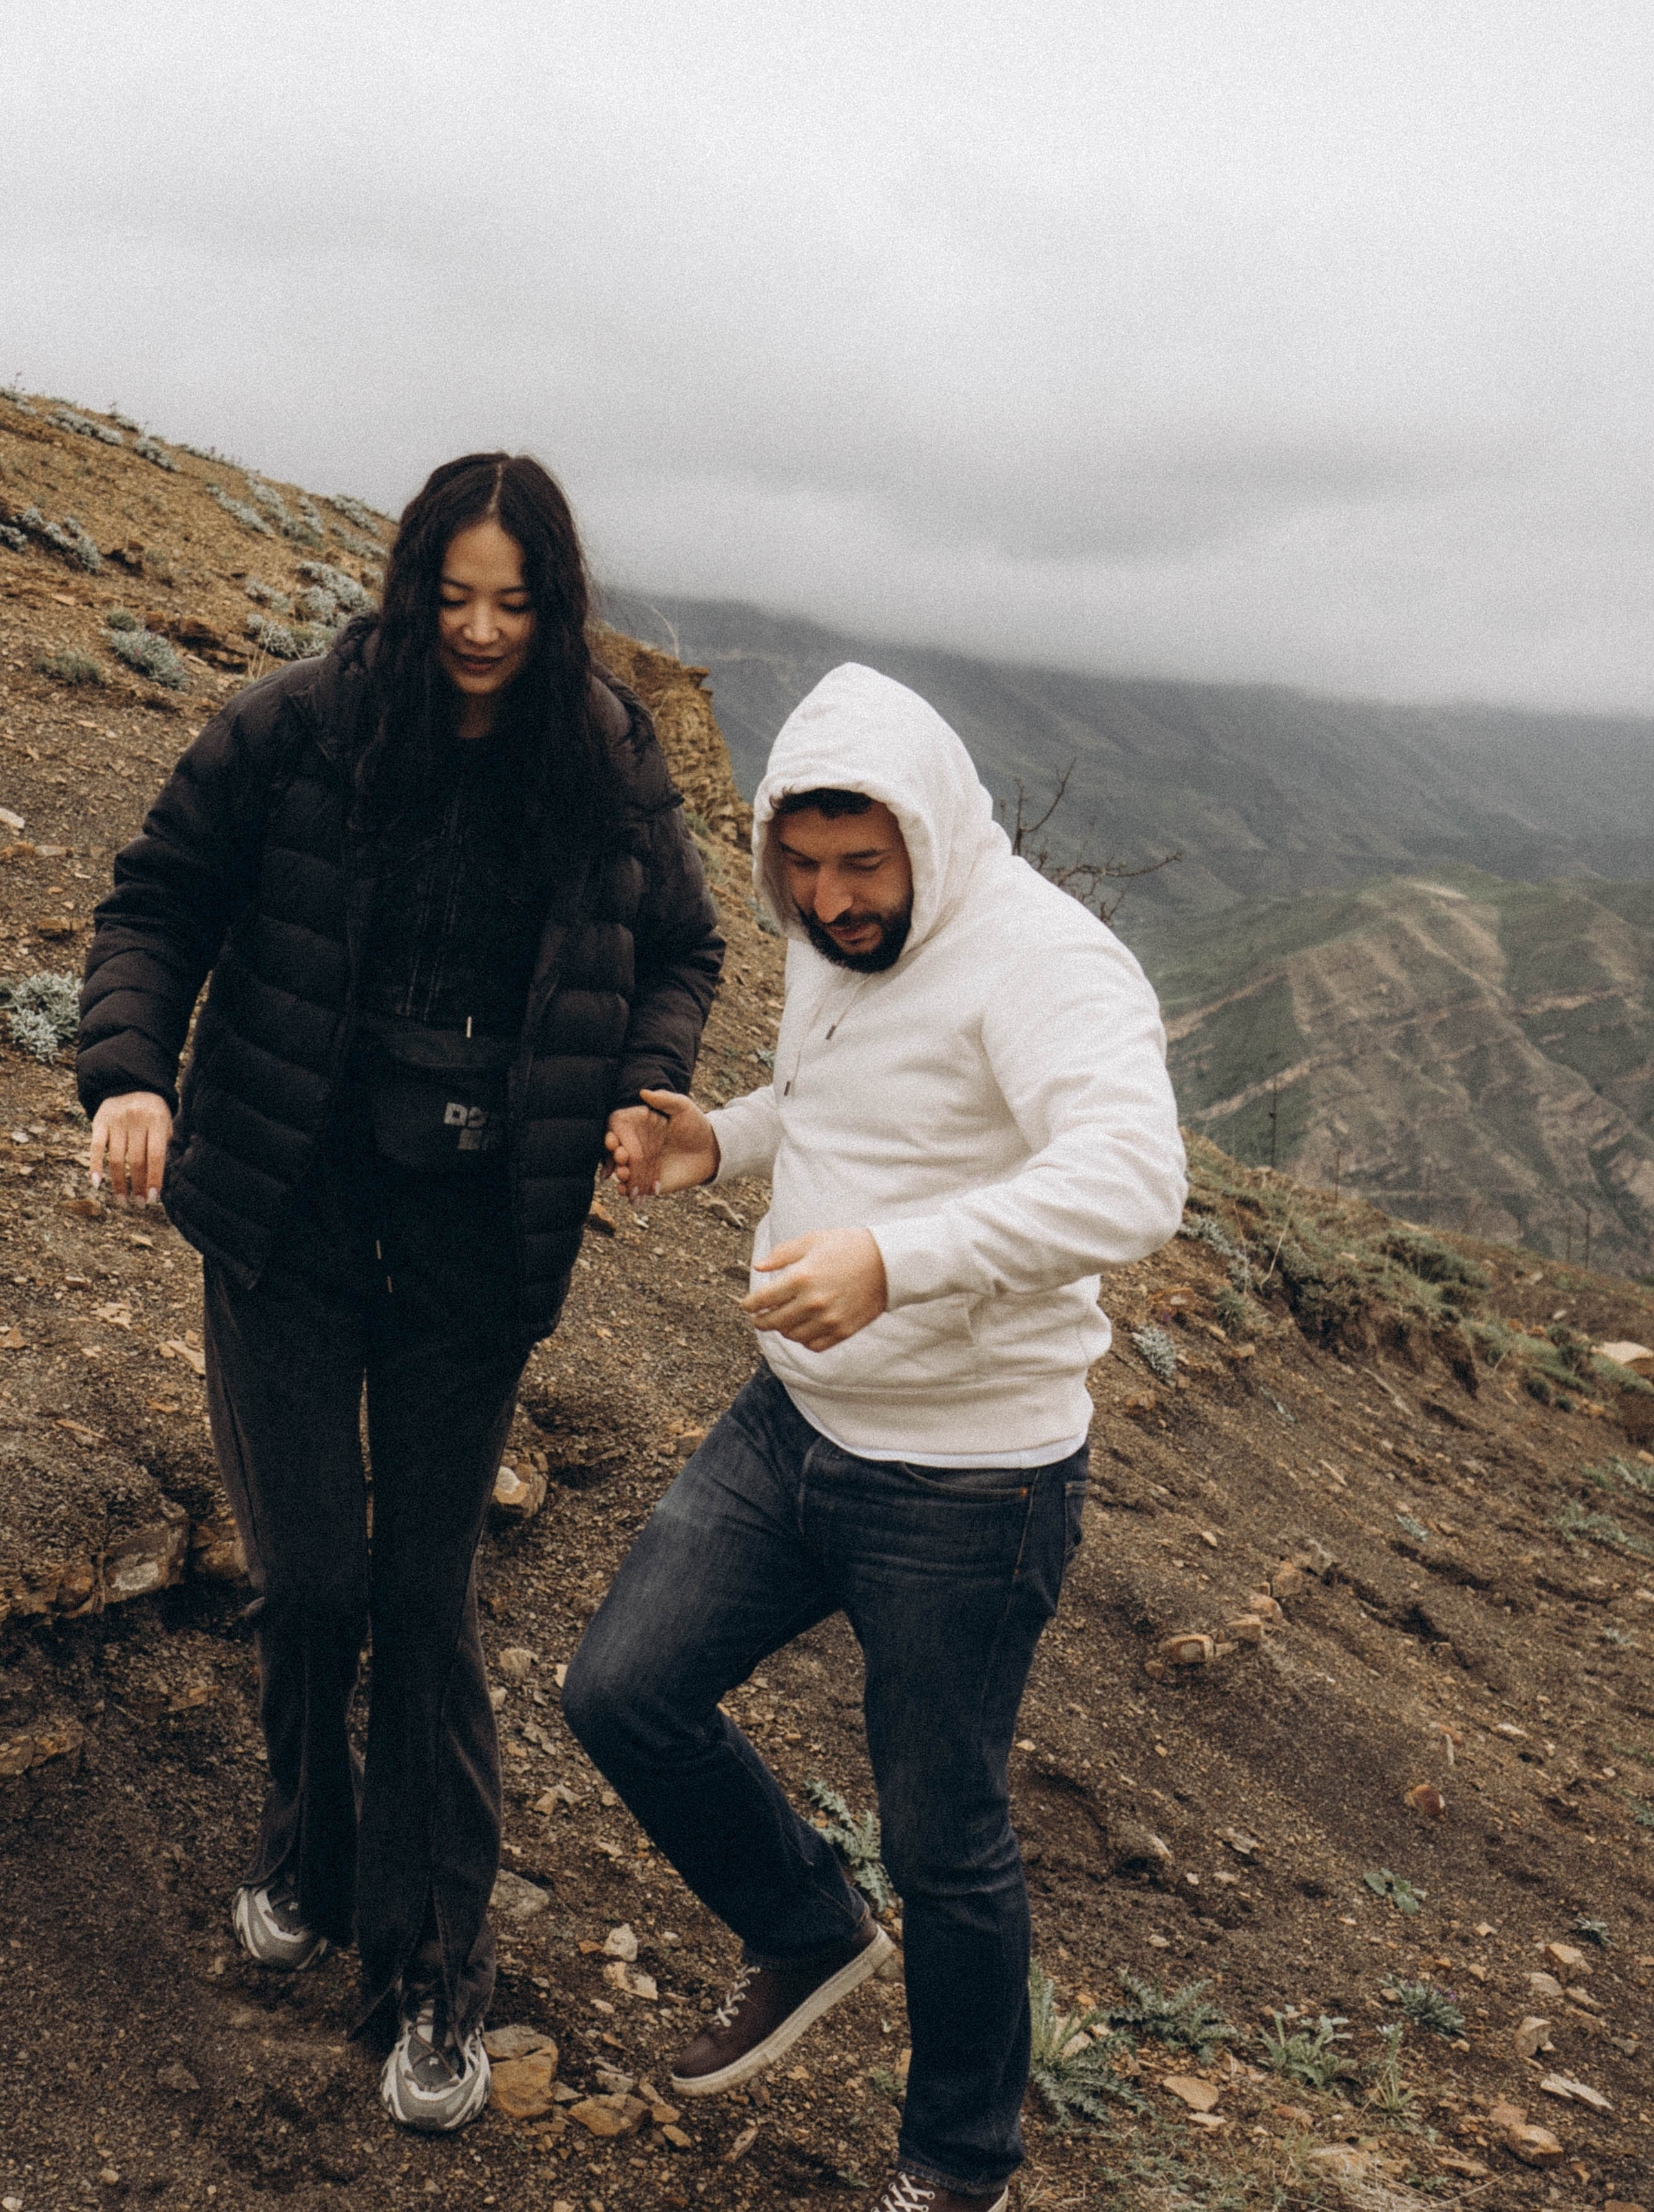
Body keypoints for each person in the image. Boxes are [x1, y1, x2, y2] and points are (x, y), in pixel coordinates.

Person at [76, 453, 723, 2132]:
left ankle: (435, 1979)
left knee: (424, 1603)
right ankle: (309, 1854)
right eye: (457, 599)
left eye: (517, 604)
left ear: (556, 600)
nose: (486, 632)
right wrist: (130, 1077)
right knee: (310, 1580)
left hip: (473, 1236)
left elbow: (680, 946)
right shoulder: (296, 725)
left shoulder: (600, 749)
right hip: (288, 1206)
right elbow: (159, 900)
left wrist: (650, 1084)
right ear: (408, 584)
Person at [565, 662, 1186, 2212]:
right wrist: (722, 1138)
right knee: (621, 1693)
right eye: (806, 866)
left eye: (865, 866)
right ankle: (804, 1928)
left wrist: (897, 1260)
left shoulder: (1047, 962)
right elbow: (830, 1098)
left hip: (974, 1476)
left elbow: (1131, 1181)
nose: (834, 902)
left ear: (932, 833)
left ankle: (956, 2163)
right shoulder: (836, 942)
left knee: (945, 1836)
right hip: (797, 1427)